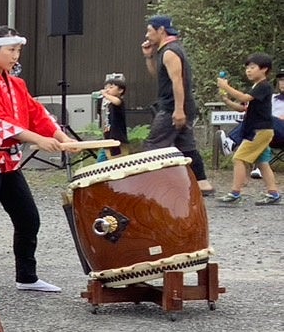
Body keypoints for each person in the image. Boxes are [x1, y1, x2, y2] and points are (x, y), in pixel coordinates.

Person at [0, 26, 77, 293]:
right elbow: (0, 124)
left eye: (18, 50)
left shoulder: (15, 83)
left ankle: (27, 277)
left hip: (8, 163)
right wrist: (38, 140)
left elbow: (37, 113)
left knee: (28, 218)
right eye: (11, 50)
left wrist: (61, 137)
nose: (16, 56)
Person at [141, 15, 213, 194]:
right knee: (187, 147)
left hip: (172, 107)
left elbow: (177, 82)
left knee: (153, 145)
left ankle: (155, 186)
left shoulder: (170, 52)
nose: (147, 35)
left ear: (161, 30)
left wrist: (179, 110)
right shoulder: (164, 50)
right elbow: (159, 77)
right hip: (178, 106)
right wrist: (149, 57)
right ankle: (203, 183)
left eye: (150, 30)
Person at [217, 54, 281, 204]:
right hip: (258, 130)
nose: (248, 71)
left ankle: (235, 193)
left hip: (260, 131)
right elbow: (242, 108)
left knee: (238, 158)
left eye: (252, 67)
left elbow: (244, 98)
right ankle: (273, 193)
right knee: (262, 162)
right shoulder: (255, 87)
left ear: (264, 69)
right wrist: (226, 100)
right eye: (247, 68)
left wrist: (226, 86)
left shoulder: (264, 86)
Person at [99, 73, 129, 156]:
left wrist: (105, 94)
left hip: (117, 138)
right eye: (106, 88)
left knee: (117, 160)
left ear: (120, 90)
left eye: (111, 87)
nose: (107, 90)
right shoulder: (107, 103)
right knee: (103, 161)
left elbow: (116, 101)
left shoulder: (119, 101)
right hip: (108, 137)